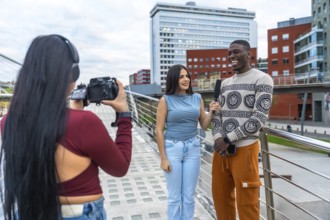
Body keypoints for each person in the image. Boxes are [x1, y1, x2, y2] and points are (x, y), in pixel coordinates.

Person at [0, 34, 133, 220]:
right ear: (70, 73)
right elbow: (120, 168)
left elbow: (46, 134)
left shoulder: (7, 122)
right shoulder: (85, 122)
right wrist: (125, 116)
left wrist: (72, 112)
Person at [211, 40, 274, 220]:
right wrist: (217, 138)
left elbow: (259, 118)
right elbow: (216, 114)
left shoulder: (262, 79)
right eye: (229, 53)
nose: (232, 56)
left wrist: (228, 138)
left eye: (236, 52)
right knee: (221, 201)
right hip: (221, 150)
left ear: (249, 54)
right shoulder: (223, 84)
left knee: (247, 205)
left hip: (245, 149)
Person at [156, 64, 219, 220]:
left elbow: (203, 125)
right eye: (181, 77)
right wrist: (163, 158)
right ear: (173, 80)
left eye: (187, 76)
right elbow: (159, 130)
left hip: (193, 148)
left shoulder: (197, 98)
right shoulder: (165, 100)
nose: (186, 79)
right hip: (172, 149)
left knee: (189, 196)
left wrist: (210, 112)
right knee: (174, 196)